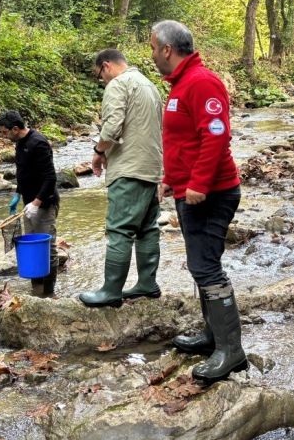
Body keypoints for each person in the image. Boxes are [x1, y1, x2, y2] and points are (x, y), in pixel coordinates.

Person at [150, 20, 246, 382]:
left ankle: (231, 351)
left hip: (212, 193)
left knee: (206, 268)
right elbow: (183, 143)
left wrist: (199, 184)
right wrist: (170, 179)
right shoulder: (180, 85)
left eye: (153, 48)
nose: (152, 55)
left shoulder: (202, 82)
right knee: (199, 266)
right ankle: (212, 337)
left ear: (167, 50)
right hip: (188, 190)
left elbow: (216, 137)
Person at [78, 49, 164, 308]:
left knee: (120, 230)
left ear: (106, 66)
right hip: (152, 168)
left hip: (128, 169)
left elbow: (113, 126)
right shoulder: (150, 86)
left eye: (99, 75)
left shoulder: (118, 84)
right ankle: (147, 284)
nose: (101, 81)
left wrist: (98, 151)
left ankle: (111, 291)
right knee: (148, 228)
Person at [0, 111, 60, 297]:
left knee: (48, 248)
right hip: (29, 203)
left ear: (15, 129)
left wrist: (36, 203)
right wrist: (18, 194)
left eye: (4, 132)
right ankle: (36, 288)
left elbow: (50, 178)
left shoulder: (38, 143)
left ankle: (49, 292)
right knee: (33, 247)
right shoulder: (20, 143)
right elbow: (23, 172)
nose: (3, 136)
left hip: (44, 203)